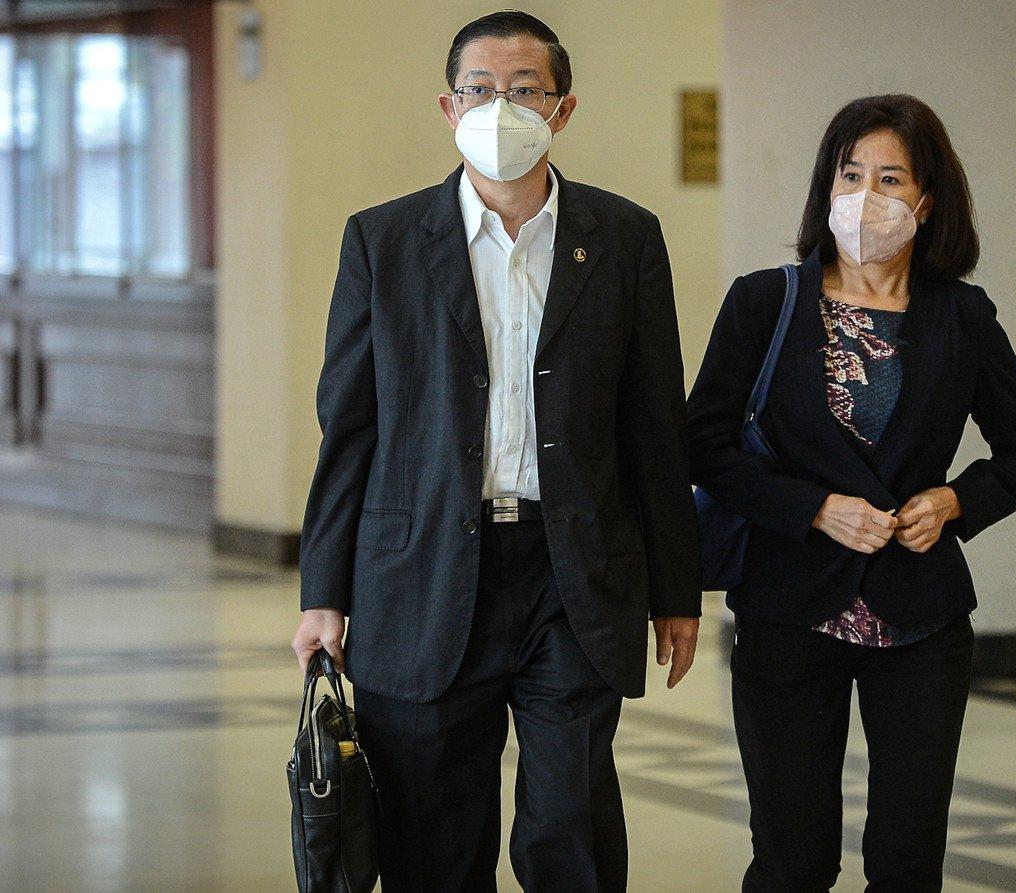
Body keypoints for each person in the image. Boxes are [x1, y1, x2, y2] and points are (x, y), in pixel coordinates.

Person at [290, 11, 701, 891]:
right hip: (424, 568)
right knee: (433, 844)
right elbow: (349, 425)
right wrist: (323, 589)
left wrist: (676, 588)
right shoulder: (384, 241)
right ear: (447, 107)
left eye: (524, 91)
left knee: (572, 829)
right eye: (479, 90)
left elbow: (654, 426)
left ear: (563, 109)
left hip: (574, 571)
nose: (499, 108)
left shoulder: (625, 238)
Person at [686, 93, 1016, 891]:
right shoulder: (765, 302)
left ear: (926, 201)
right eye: (850, 174)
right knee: (792, 858)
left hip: (920, 618)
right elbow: (703, 444)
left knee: (906, 859)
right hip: (788, 607)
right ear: (827, 188)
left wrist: (954, 502)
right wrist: (812, 506)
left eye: (890, 177)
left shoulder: (962, 316)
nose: (867, 196)